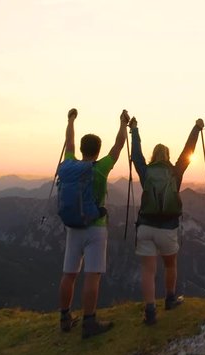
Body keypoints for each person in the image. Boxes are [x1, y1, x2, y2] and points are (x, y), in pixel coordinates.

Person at [58, 108, 129, 338]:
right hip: (96, 228)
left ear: (81, 149)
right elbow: (118, 147)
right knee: (92, 275)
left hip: (72, 227)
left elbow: (68, 142)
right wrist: (122, 124)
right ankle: (89, 323)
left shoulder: (69, 164)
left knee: (69, 274)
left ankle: (65, 317)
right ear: (98, 151)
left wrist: (70, 120)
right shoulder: (100, 169)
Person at [129, 116, 204, 325]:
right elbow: (188, 151)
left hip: (145, 225)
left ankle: (150, 311)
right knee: (170, 265)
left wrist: (134, 129)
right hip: (168, 228)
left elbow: (136, 155)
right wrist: (196, 128)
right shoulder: (175, 171)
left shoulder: (146, 171)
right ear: (168, 156)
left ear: (154, 156)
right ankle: (170, 299)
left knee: (148, 270)